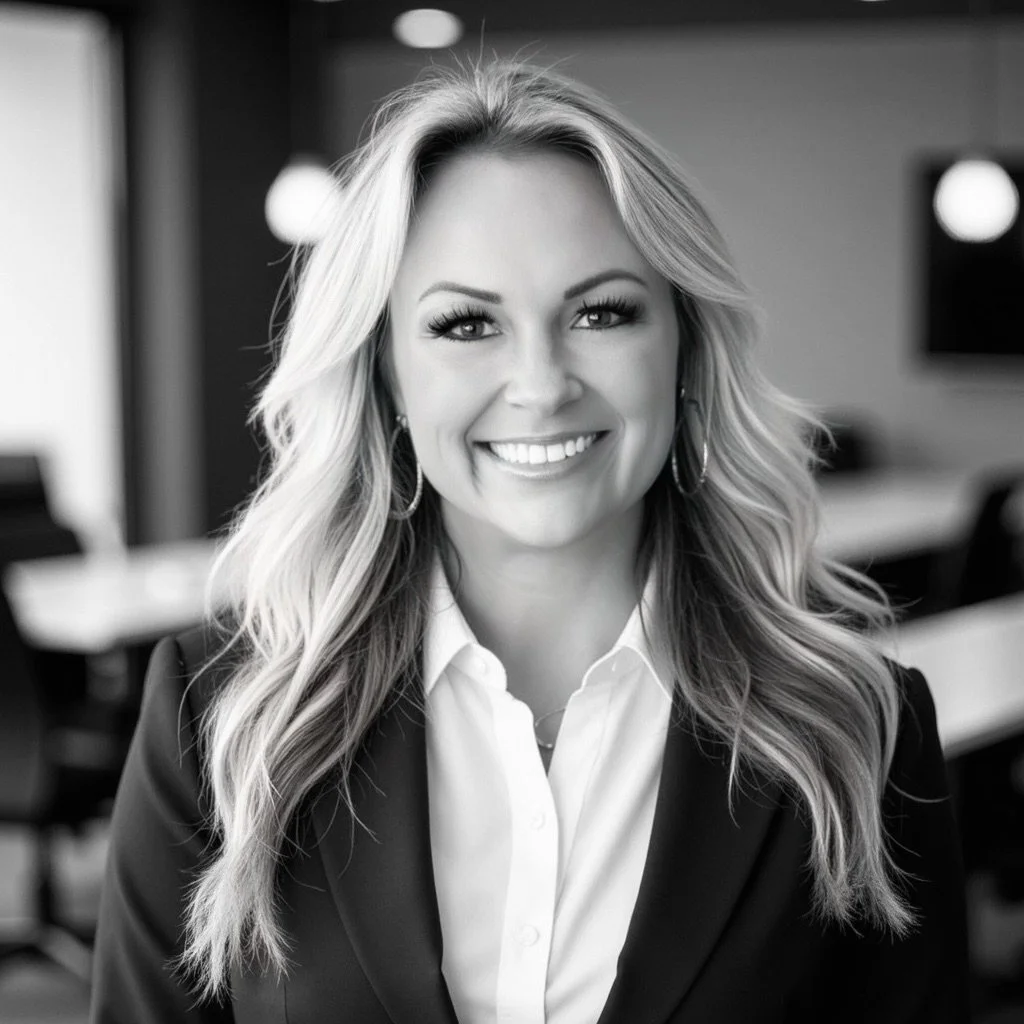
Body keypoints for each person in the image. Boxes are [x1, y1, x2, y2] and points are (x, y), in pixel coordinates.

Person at [90, 59, 969, 1023]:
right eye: (467, 324)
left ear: (684, 348)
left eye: (601, 313)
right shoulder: (221, 720)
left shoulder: (858, 730)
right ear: (386, 374)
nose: (542, 385)